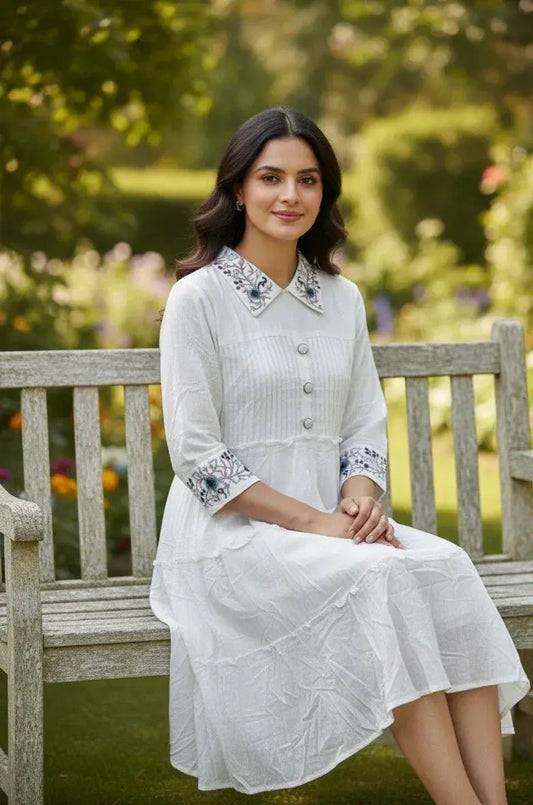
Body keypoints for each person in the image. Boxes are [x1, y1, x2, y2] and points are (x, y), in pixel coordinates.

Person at [149, 106, 529, 803]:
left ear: (324, 194)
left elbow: (361, 422)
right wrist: (313, 522)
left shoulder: (342, 298)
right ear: (237, 188)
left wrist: (357, 496)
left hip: (332, 526)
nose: (288, 195)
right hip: (229, 538)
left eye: (307, 179)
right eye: (270, 178)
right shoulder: (197, 300)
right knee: (381, 580)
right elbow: (199, 457)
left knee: (445, 566)